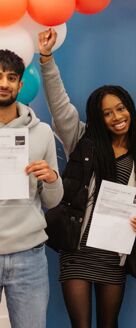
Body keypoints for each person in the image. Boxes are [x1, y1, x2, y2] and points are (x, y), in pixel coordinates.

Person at [38, 28, 136, 328]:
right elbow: (60, 106)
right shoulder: (83, 140)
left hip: (114, 252)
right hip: (77, 249)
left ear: (130, 109)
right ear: (97, 117)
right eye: (107, 113)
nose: (117, 117)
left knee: (108, 324)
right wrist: (47, 59)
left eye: (120, 108)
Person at [0, 49, 63, 328]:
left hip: (29, 255)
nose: (4, 83)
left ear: (20, 85)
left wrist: (51, 178)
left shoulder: (42, 132)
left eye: (11, 78)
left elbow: (54, 199)